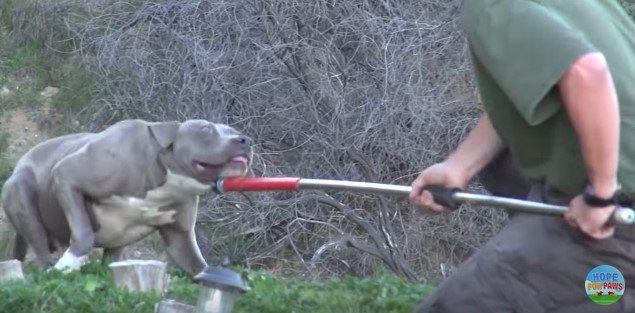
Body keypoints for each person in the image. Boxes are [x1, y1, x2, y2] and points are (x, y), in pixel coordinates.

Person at [409, 0, 635, 312]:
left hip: (612, 223)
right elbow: (545, 86)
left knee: (461, 304)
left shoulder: (491, 7)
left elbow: (586, 72)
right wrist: (458, 166)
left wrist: (600, 195)